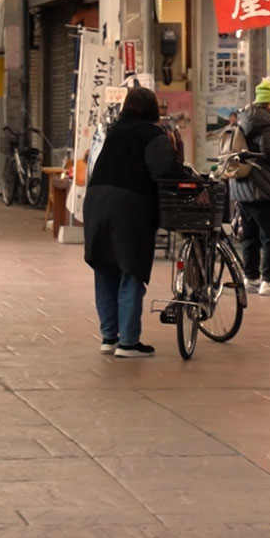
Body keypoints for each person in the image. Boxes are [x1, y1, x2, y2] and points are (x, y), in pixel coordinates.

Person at [83, 86, 181, 358]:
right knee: (131, 269)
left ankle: (109, 337)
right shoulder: (152, 134)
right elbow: (165, 170)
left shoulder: (114, 132)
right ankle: (128, 342)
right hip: (129, 206)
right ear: (152, 109)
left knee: (105, 268)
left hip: (95, 201)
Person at [230, 79, 270, 296]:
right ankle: (269, 280)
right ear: (269, 104)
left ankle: (251, 278)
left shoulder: (244, 119)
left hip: (243, 189)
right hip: (263, 190)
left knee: (250, 237)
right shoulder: (266, 124)